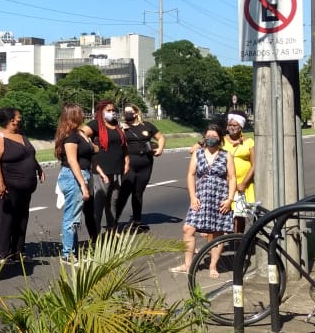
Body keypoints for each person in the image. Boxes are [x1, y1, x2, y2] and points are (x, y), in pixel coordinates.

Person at [173, 123, 237, 276]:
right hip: (200, 197)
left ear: (220, 138)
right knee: (188, 229)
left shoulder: (226, 155)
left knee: (217, 233)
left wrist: (229, 199)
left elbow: (232, 178)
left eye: (214, 136)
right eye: (208, 136)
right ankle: (188, 264)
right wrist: (193, 196)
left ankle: (213, 266)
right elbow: (191, 175)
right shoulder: (198, 154)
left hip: (219, 198)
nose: (211, 139)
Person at [0, 107, 44, 266]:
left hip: (26, 187)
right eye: (18, 116)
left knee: (22, 218)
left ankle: (18, 252)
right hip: (9, 186)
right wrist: (0, 182)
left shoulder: (21, 134)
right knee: (5, 220)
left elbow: (29, 154)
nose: (21, 118)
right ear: (11, 119)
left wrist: (38, 168)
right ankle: (2, 254)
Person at [115, 103, 165, 231]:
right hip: (129, 163)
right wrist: (121, 129)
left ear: (136, 113)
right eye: (125, 112)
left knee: (138, 193)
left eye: (130, 112)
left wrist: (160, 149)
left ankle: (137, 220)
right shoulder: (121, 127)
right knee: (125, 191)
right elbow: (116, 141)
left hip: (146, 163)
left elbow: (160, 137)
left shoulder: (147, 126)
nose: (127, 114)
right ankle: (114, 220)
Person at [54, 103, 93, 263]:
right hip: (74, 177)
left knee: (75, 217)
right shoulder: (71, 136)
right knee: (71, 218)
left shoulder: (79, 133)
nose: (83, 115)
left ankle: (73, 252)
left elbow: (91, 149)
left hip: (81, 175)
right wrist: (83, 185)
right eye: (81, 112)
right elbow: (72, 161)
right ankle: (68, 254)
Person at [87, 100, 128, 234]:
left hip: (117, 169)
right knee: (99, 202)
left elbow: (123, 145)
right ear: (101, 112)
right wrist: (92, 146)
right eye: (108, 110)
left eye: (113, 110)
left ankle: (112, 229)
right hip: (101, 170)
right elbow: (81, 134)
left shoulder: (116, 125)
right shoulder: (95, 125)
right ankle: (96, 233)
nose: (112, 113)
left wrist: (126, 160)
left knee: (113, 201)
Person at [223, 112, 256, 232]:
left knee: (239, 216)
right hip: (226, 183)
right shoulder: (222, 141)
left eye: (235, 125)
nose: (232, 127)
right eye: (230, 125)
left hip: (243, 185)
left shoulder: (249, 142)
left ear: (241, 127)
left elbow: (254, 164)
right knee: (225, 213)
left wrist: (244, 183)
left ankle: (239, 241)